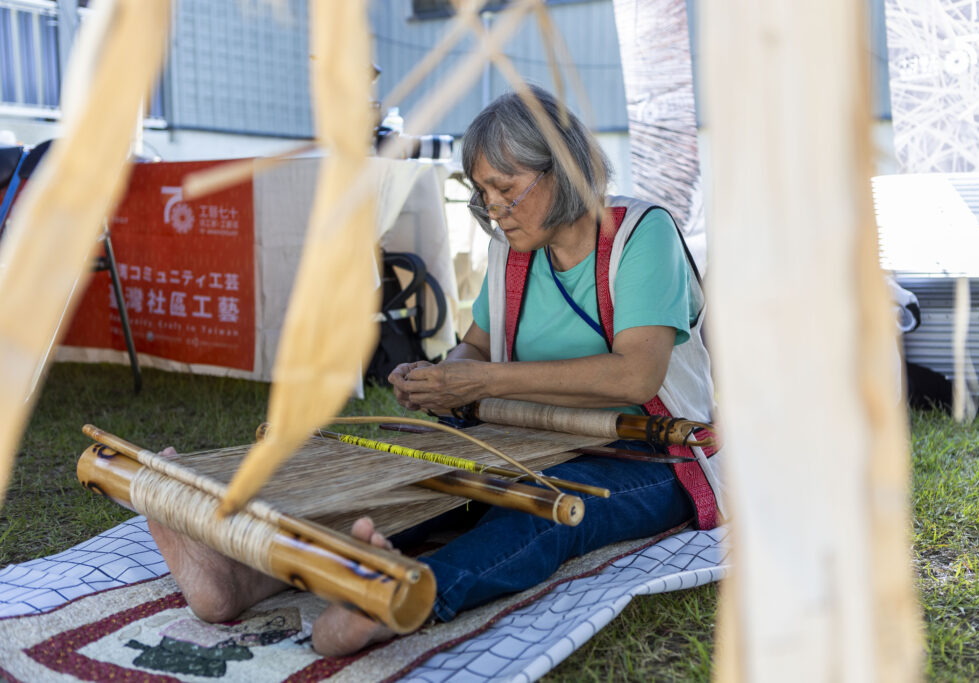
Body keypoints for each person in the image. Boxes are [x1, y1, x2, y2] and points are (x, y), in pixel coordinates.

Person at [148, 85, 720, 658]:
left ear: (565, 168)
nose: (494, 210)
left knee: (542, 511)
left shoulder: (642, 235)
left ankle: (395, 599)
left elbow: (635, 377)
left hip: (651, 450)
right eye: (482, 193)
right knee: (415, 484)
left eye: (506, 189)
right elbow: (474, 348)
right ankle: (242, 578)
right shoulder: (513, 251)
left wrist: (485, 383)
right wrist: (443, 380)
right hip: (532, 436)